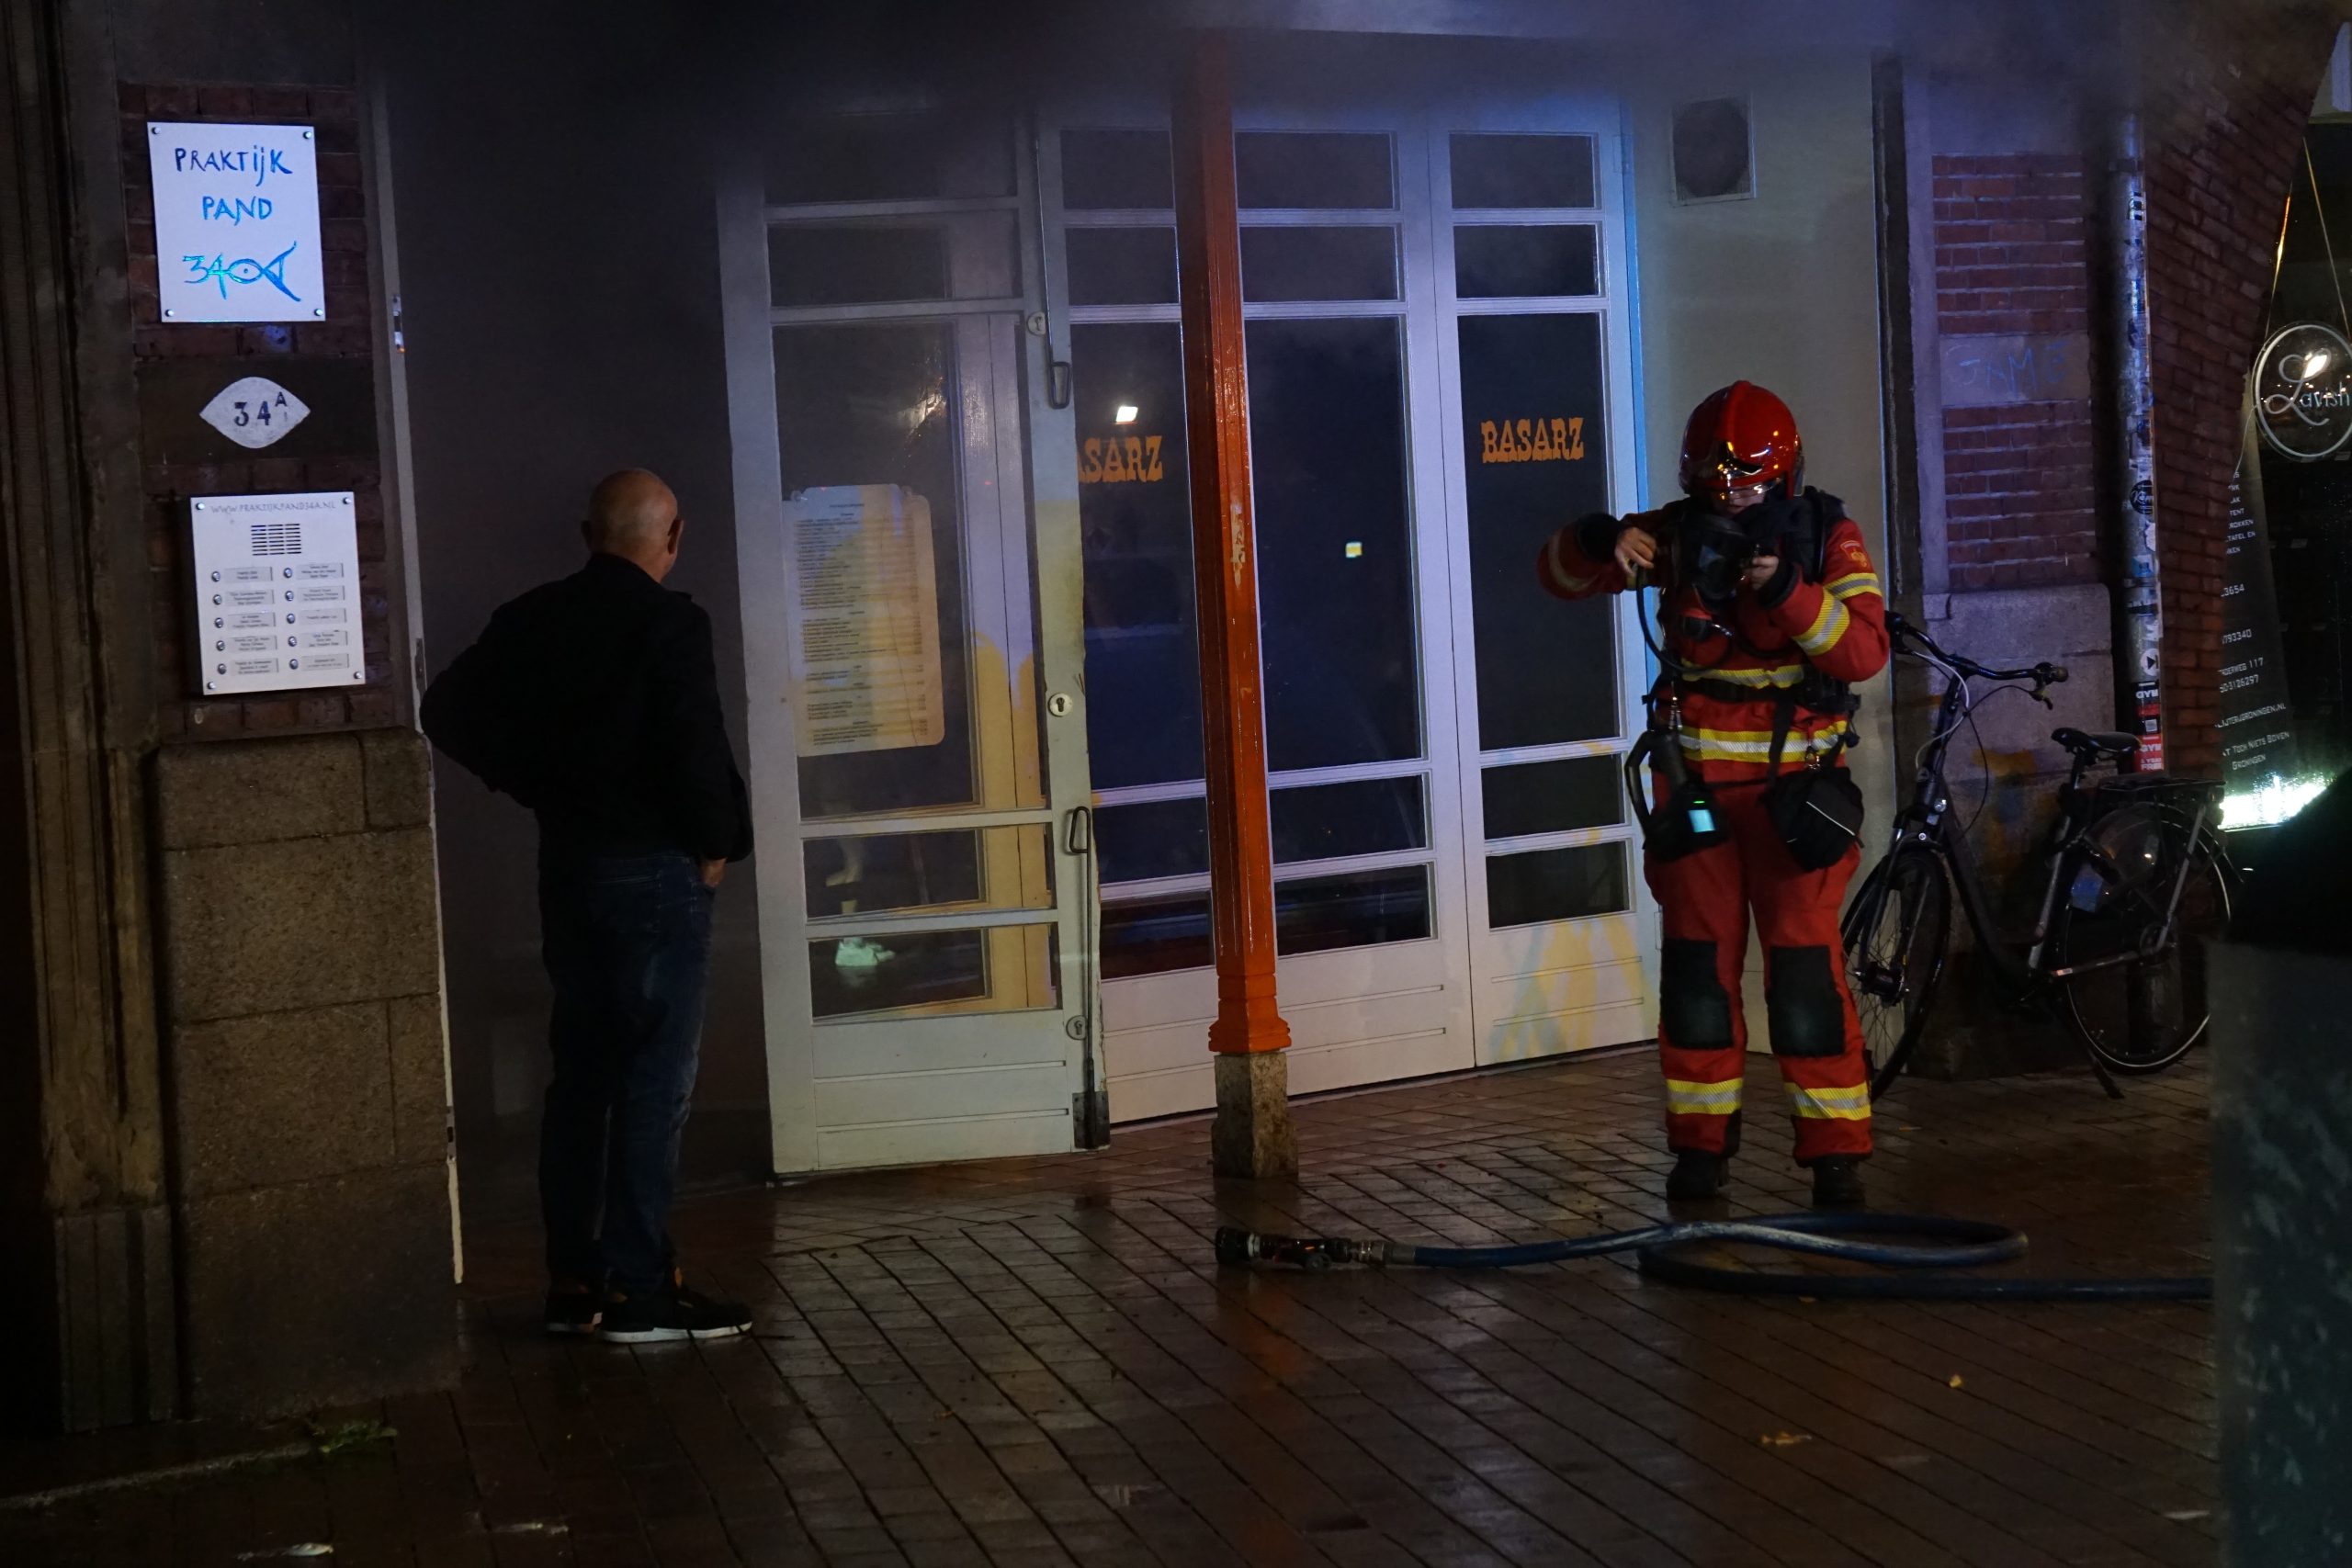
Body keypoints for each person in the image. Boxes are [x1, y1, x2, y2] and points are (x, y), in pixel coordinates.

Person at [422, 468, 757, 1341]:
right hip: (657, 871)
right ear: (673, 535)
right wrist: (715, 841)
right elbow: (694, 743)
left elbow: (445, 707)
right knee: (655, 1079)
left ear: (586, 534)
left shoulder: (533, 618)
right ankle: (643, 1285)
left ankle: (574, 1280)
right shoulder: (672, 625)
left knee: (583, 1074)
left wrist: (535, 783)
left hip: (571, 866)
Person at [1536, 383, 1889, 1207]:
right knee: (1697, 981)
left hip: (1793, 806)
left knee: (1804, 981)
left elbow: (1865, 650)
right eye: (1715, 487)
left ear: (1784, 478)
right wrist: (1600, 537)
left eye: (1747, 487)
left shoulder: (1827, 535)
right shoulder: (1675, 533)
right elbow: (1557, 574)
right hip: (1697, 804)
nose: (1730, 505)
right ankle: (1699, 1157)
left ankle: (1837, 1161)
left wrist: (1787, 592)